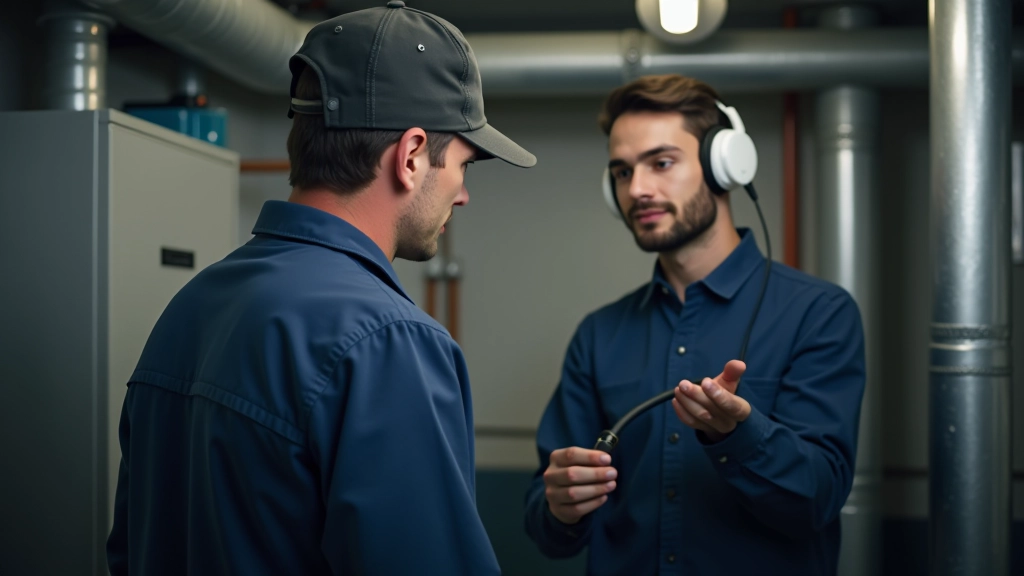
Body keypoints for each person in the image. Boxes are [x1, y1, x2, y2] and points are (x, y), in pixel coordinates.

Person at [106, 3, 536, 574]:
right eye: (464, 164)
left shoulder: (192, 306)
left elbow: (129, 551)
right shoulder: (389, 343)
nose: (462, 195)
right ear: (410, 156)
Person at [524, 74, 866, 576]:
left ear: (724, 165)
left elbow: (816, 500)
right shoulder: (599, 336)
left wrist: (740, 435)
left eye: (661, 163)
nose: (637, 189)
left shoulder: (819, 315)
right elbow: (549, 529)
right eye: (621, 172)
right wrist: (557, 506)